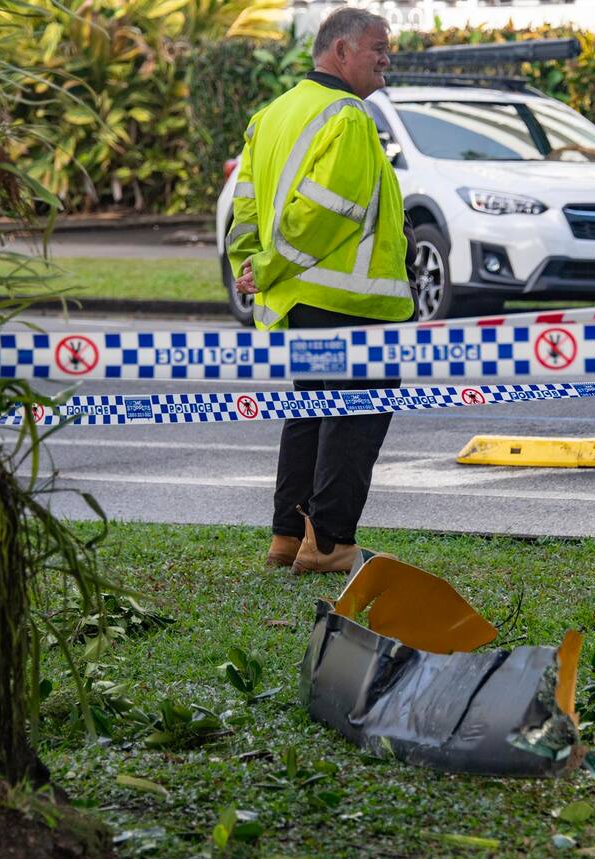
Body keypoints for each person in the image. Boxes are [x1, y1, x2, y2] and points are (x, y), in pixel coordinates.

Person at [228, 7, 416, 575]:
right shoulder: (350, 116)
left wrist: (254, 265)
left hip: (302, 301)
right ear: (340, 51)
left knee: (310, 411)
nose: (387, 59)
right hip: (355, 301)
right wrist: (271, 263)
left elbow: (246, 207)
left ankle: (289, 537)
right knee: (355, 414)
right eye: (377, 48)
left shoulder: (271, 115)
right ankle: (330, 542)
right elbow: (331, 210)